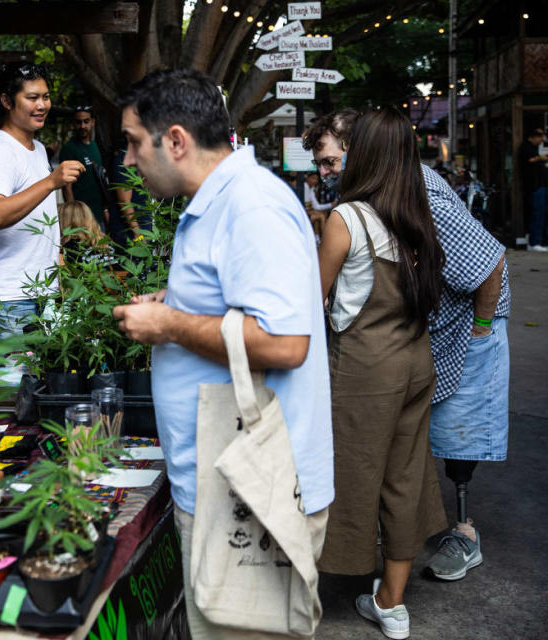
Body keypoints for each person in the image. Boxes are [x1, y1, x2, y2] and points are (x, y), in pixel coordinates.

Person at [111, 68, 333, 639]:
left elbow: (284, 343)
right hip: (224, 481)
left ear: (177, 141)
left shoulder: (251, 205)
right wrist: (180, 302)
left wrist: (170, 322)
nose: (130, 160)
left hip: (252, 489)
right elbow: (243, 303)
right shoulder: (225, 199)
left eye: (135, 142)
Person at [305, 110, 511, 585]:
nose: (325, 173)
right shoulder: (380, 194)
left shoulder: (416, 193)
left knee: (453, 435)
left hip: (465, 323)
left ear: (362, 151)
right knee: (408, 458)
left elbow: (490, 263)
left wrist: (479, 335)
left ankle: (463, 532)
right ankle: (395, 587)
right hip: (415, 335)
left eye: (332, 162)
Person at [316, 108, 449, 640]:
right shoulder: (415, 213)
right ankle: (391, 605)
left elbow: (309, 300)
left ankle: (306, 586)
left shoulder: (346, 218)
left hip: (365, 369)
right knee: (405, 478)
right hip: (416, 360)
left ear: (366, 153)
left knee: (347, 477)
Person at [0, 63, 83, 340]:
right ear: (6, 101)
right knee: (9, 384)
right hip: (11, 298)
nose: (42, 105)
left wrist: (57, 260)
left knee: (37, 382)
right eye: (32, 98)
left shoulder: (36, 149)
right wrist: (51, 182)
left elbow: (38, 212)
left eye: (45, 97)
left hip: (41, 293)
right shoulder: (0, 151)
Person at [59, 106, 109, 231]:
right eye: (78, 122)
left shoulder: (94, 146)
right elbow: (67, 187)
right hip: (81, 218)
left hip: (99, 214)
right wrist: (73, 216)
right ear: (73, 123)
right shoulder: (69, 149)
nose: (82, 126)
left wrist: (105, 209)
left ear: (93, 122)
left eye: (86, 121)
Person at [517, 127, 548, 251]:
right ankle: (534, 242)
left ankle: (542, 241)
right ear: (532, 136)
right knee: (538, 214)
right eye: (540, 136)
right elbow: (529, 160)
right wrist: (541, 158)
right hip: (535, 186)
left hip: (541, 185)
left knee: (543, 213)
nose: (542, 139)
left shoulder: (534, 148)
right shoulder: (526, 147)